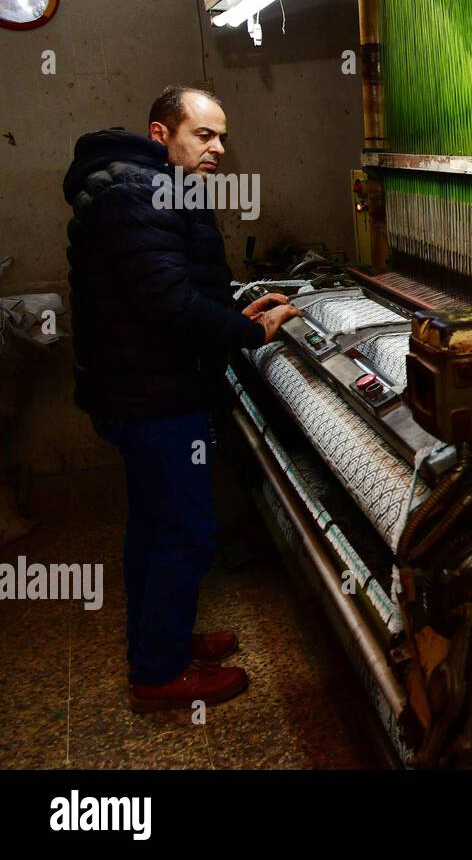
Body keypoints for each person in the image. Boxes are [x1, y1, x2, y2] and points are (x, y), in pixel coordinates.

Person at [63, 85, 299, 712]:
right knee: (186, 530)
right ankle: (159, 675)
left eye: (222, 136)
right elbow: (167, 304)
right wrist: (249, 331)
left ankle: (160, 641)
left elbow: (165, 287)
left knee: (152, 524)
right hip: (155, 397)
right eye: (205, 135)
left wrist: (229, 309)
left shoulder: (140, 186)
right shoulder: (138, 194)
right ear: (161, 135)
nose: (218, 148)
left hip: (140, 388)